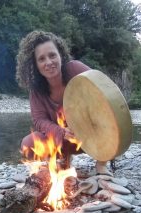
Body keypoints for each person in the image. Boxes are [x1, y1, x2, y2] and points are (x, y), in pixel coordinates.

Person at [16, 30, 112, 175]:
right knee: (28, 144)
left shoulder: (75, 69)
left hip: (90, 136)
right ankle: (62, 159)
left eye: (52, 55)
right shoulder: (36, 89)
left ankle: (102, 163)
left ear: (60, 55)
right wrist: (60, 132)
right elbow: (39, 120)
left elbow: (102, 90)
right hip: (62, 140)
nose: (48, 62)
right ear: (35, 64)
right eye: (41, 59)